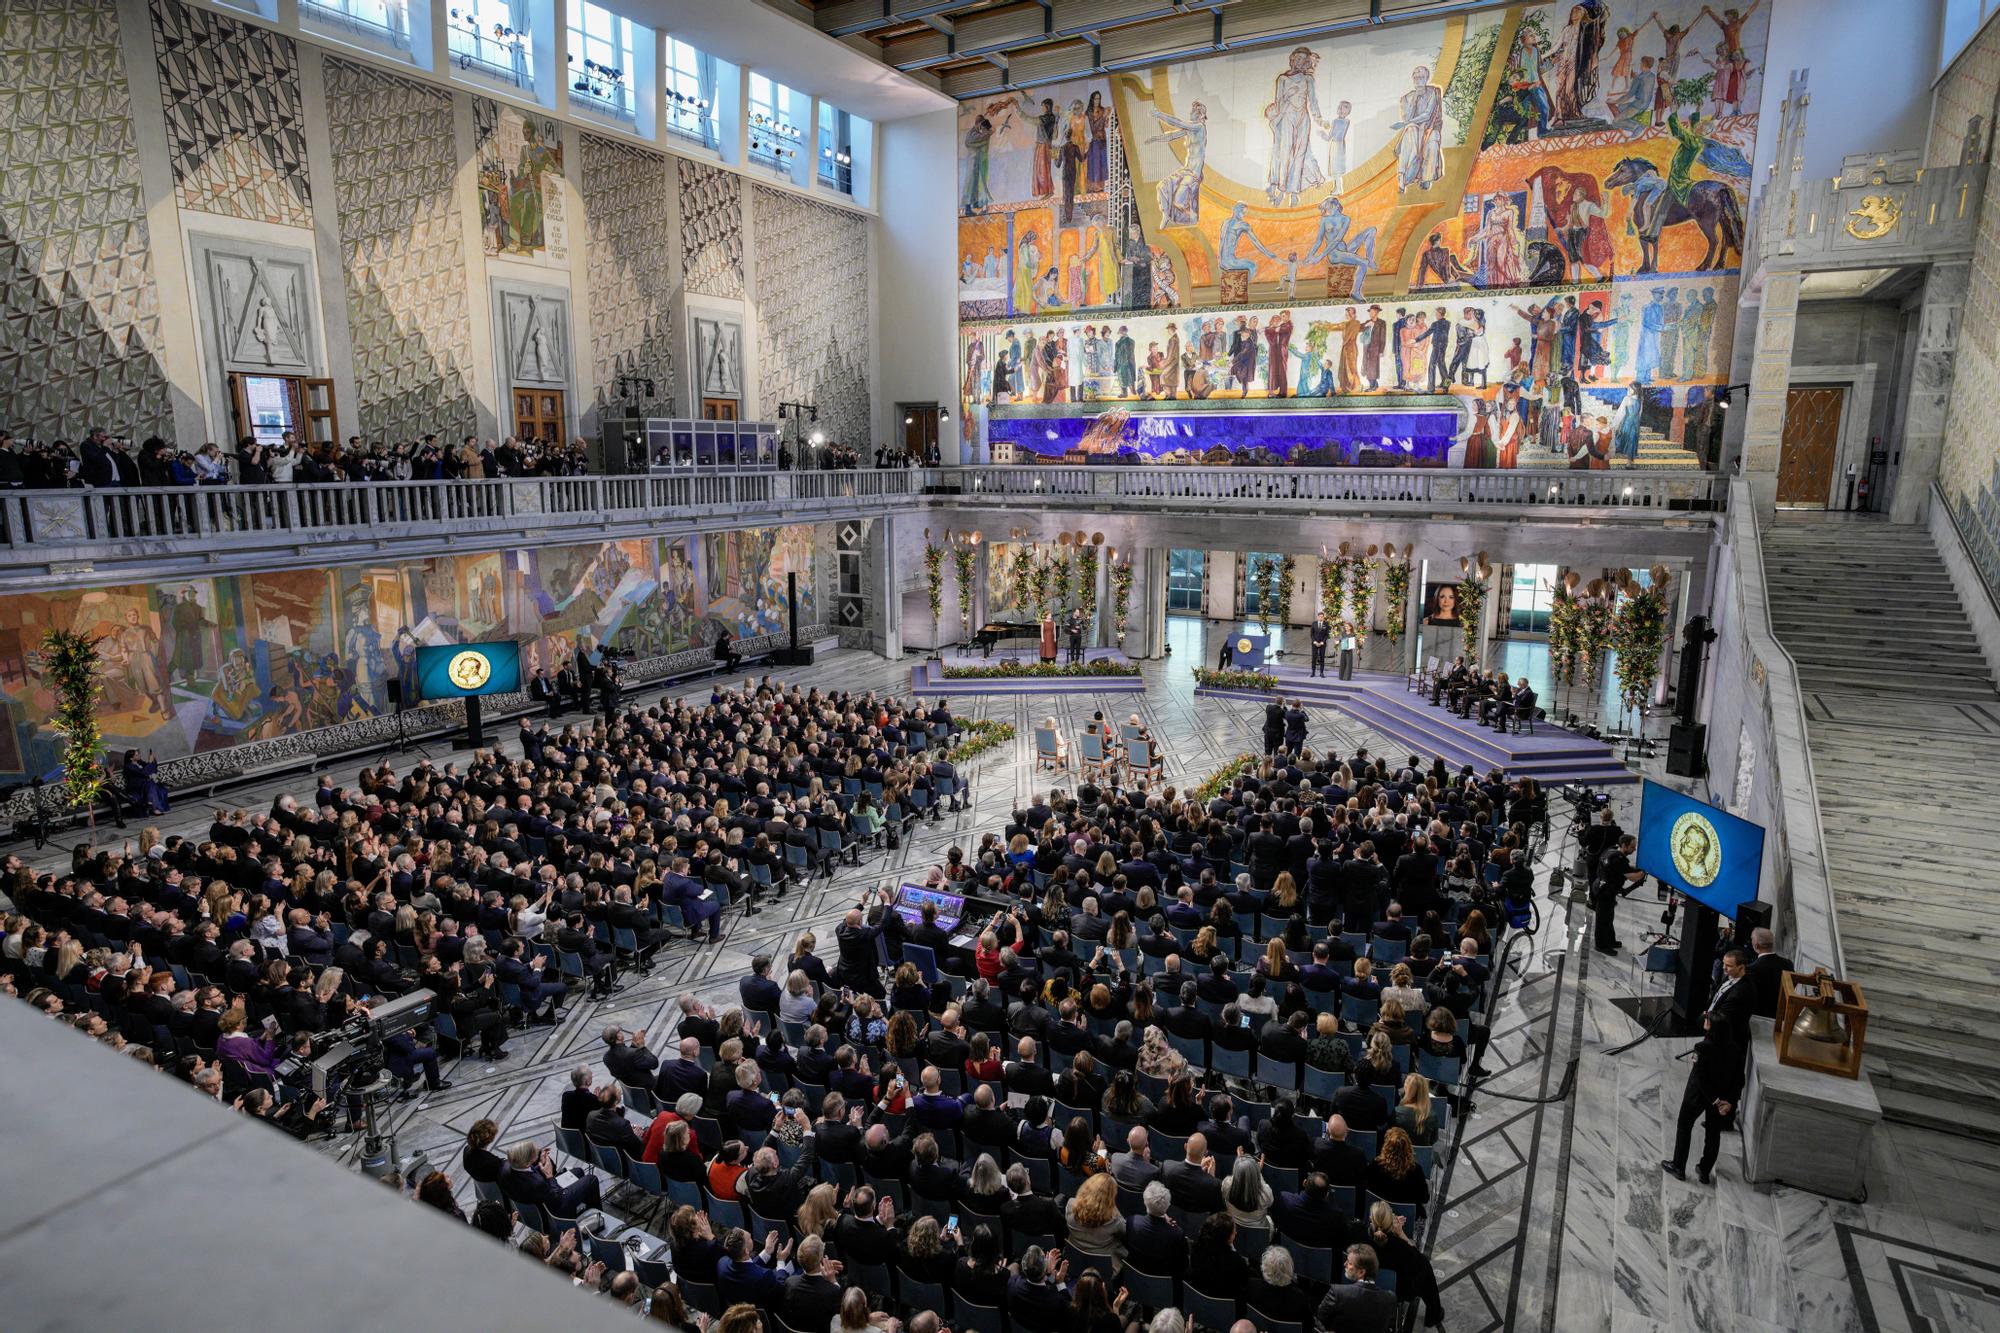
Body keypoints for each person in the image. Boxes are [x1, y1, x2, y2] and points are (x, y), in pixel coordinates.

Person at [1662, 1008, 1743, 1185]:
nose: (1705, 1021)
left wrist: (1715, 1100)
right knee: (1713, 1134)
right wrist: (1728, 1102)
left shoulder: (1702, 1048)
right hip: (1721, 1100)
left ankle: (1678, 1166)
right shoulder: (1735, 1049)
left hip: (1698, 1097)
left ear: (1712, 1028)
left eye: (1708, 1021)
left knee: (1685, 1126)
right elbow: (1739, 1079)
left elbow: (1701, 1078)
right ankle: (1705, 1170)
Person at [1315, 1244, 1398, 1333]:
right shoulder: (1390, 1298)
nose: (1345, 1264)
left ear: (1361, 1272)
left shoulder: (1337, 1292)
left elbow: (1318, 1320)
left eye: (1350, 1263)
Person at [1592, 834, 1645, 954]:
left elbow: (1622, 869)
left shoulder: (1612, 851)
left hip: (1603, 888)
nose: (1634, 849)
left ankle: (1610, 941)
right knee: (1603, 920)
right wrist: (1644, 871)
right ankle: (1601, 945)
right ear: (1624, 846)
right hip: (1605, 892)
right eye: (1632, 847)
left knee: (1608, 917)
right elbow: (1633, 878)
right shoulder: (1619, 860)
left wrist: (1634, 868)